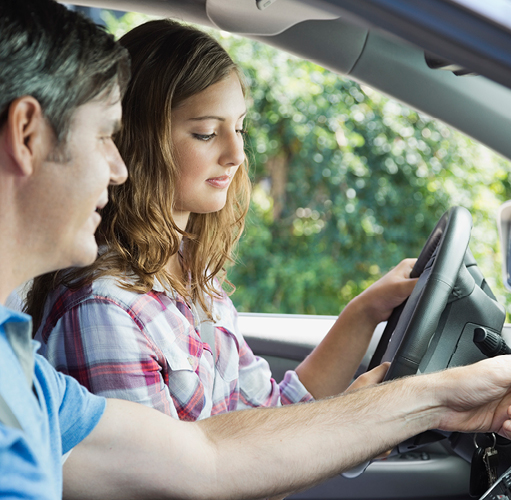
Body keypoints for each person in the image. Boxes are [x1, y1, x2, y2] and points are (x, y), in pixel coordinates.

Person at [0, 1, 511, 499]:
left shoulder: (26, 379)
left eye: (241, 128)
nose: (118, 165)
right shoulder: (99, 311)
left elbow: (207, 458)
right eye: (104, 135)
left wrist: (432, 399)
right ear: (27, 134)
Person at [26, 18, 418, 420]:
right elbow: (184, 480)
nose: (237, 153)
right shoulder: (105, 310)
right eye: (206, 133)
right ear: (139, 139)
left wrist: (367, 311)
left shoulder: (193, 274)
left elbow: (270, 415)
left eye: (239, 128)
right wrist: (356, 420)